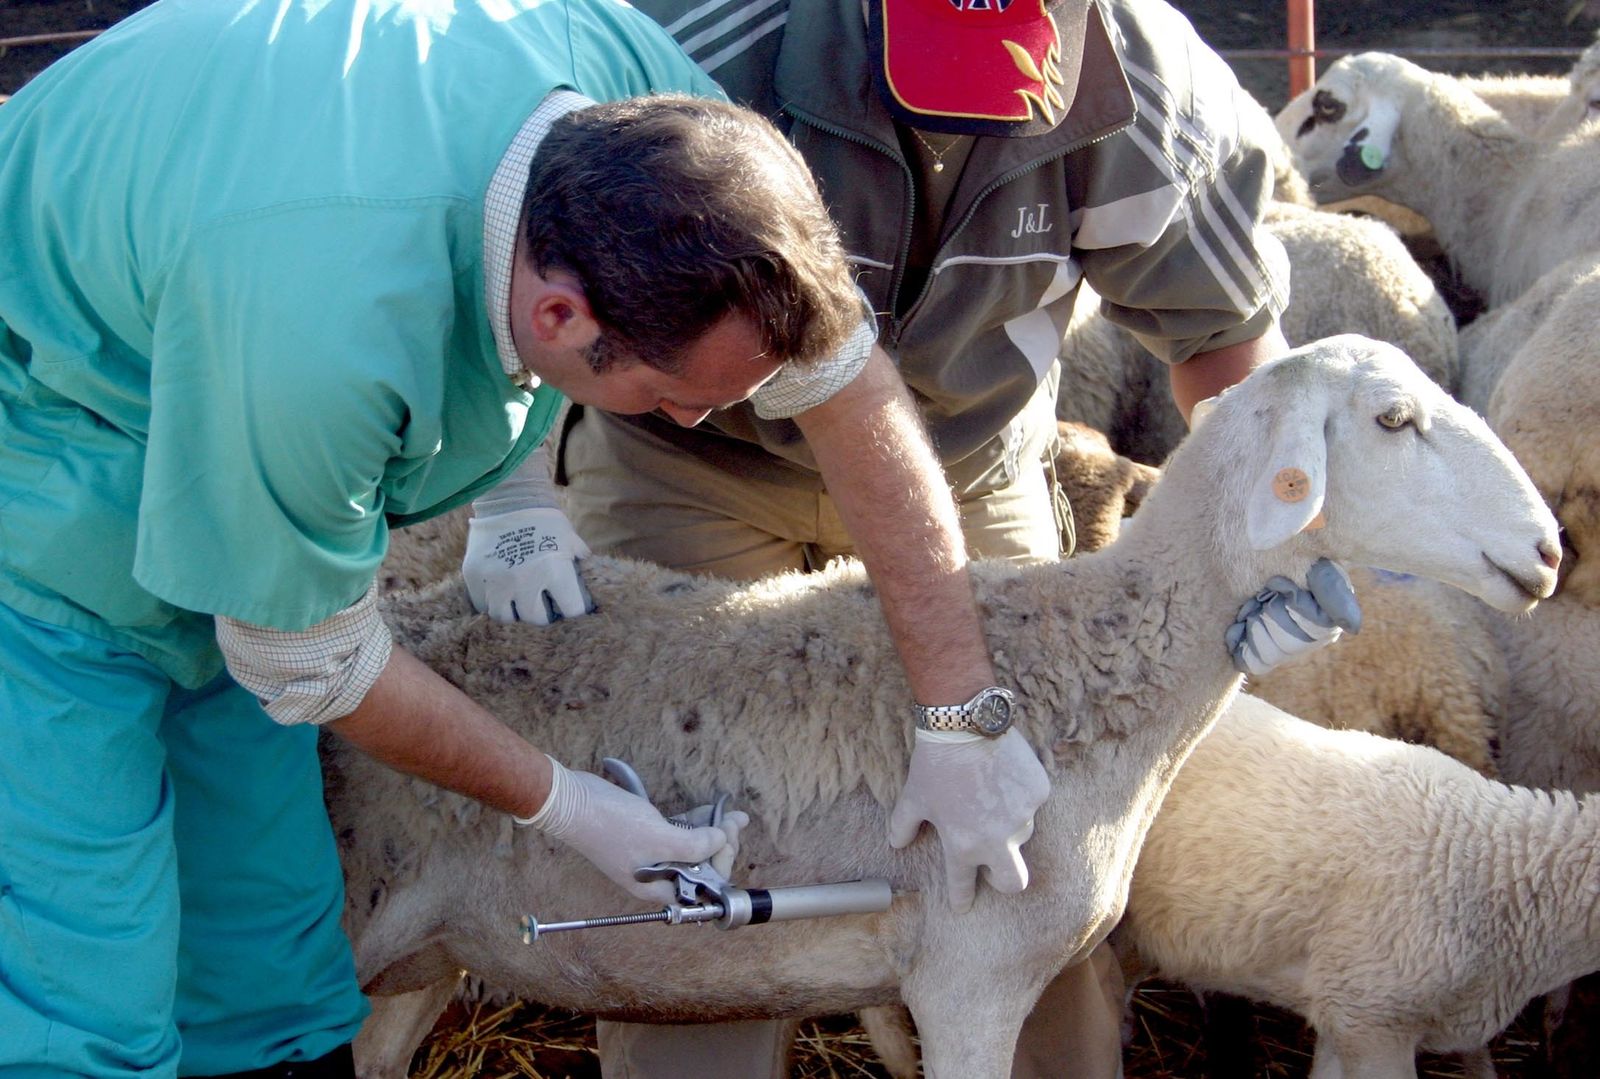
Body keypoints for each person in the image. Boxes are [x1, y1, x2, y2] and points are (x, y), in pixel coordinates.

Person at [0, 0, 962, 1072]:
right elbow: (306, 654)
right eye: (669, 395)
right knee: (81, 981)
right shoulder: (326, 332)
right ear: (560, 320)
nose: (694, 421)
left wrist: (961, 706)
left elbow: (841, 380)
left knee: (268, 970)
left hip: (232, 390)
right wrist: (566, 803)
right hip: (42, 480)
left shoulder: (654, 124)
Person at [544, 0, 1353, 1075]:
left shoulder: (1150, 88)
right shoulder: (694, 45)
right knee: (692, 825)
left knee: (1030, 823)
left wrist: (1266, 549)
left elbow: (1230, 346)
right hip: (695, 457)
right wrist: (509, 497)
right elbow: (528, 252)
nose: (961, 118)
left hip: (965, 462)